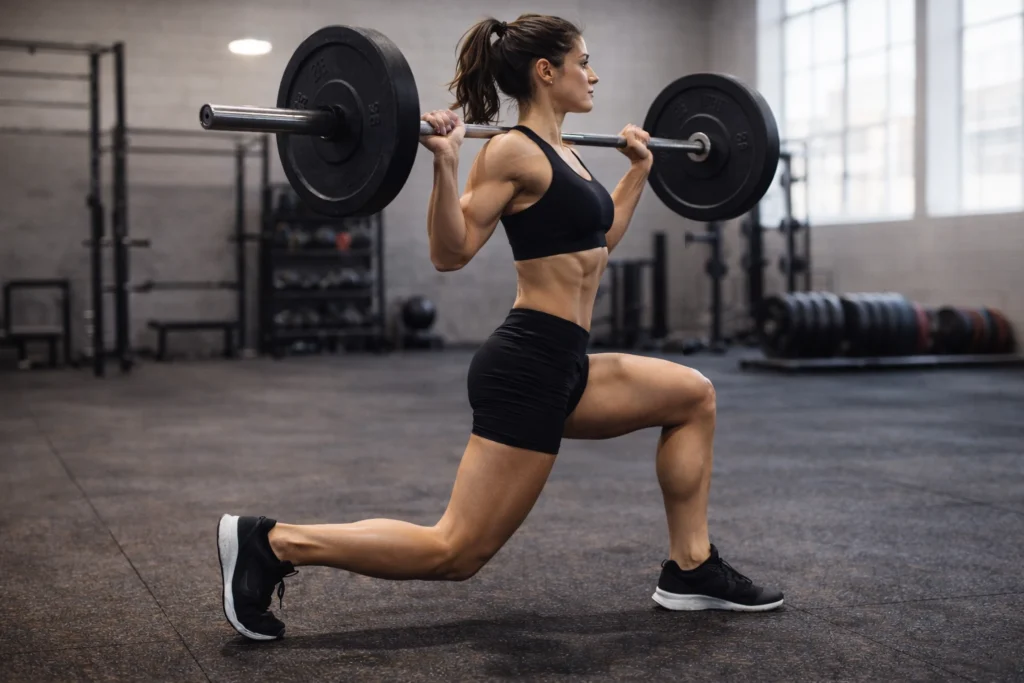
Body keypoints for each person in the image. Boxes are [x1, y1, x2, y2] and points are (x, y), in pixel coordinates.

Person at [216, 13, 783, 642]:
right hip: (528, 366)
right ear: (547, 72)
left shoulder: (567, 153)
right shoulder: (511, 151)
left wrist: (639, 172)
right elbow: (449, 253)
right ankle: (272, 542)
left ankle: (691, 569)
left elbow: (595, 243)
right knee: (456, 551)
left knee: (692, 396)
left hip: (568, 361)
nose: (593, 75)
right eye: (583, 62)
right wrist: (445, 163)